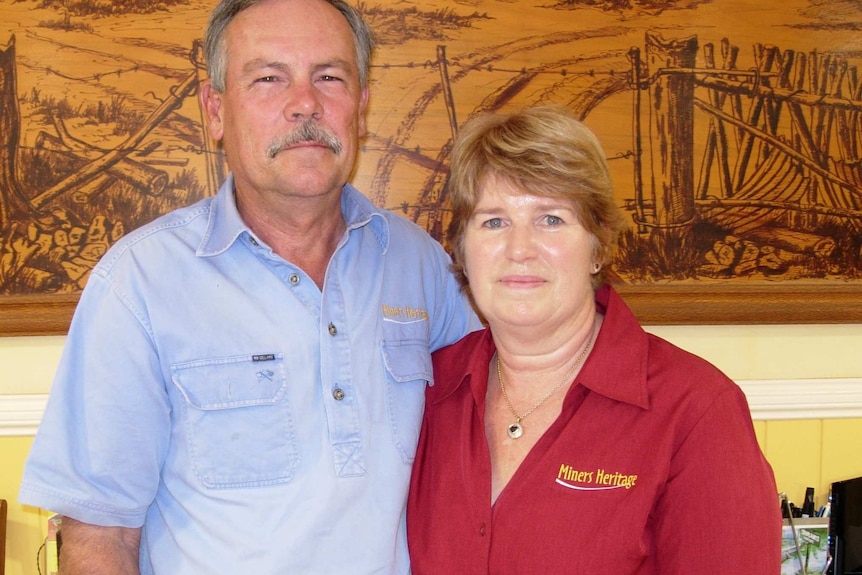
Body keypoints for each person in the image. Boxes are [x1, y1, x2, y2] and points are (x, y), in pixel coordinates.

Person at [19, 0, 479, 573]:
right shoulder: (138, 284)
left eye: (330, 77)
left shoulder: (423, 266)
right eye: (268, 78)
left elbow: (499, 435)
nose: (305, 104)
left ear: (360, 108)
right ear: (215, 110)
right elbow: (99, 535)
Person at [406, 105, 782, 573]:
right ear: (461, 249)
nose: (519, 249)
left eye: (551, 219)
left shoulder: (696, 410)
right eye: (494, 222)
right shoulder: (428, 390)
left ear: (598, 246)